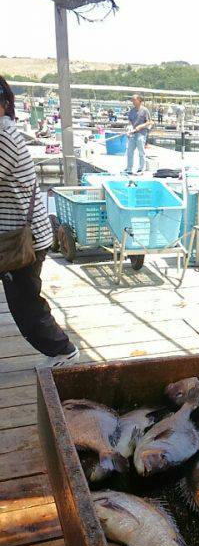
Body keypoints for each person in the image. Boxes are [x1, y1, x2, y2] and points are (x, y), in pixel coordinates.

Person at [0, 77, 79, 366]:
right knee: (25, 299)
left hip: (22, 241)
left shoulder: (4, 138)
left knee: (26, 305)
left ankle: (63, 351)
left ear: (5, 104)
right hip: (13, 235)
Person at [126, 94, 152, 174]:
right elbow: (130, 121)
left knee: (141, 152)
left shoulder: (145, 110)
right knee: (129, 151)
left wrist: (140, 126)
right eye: (132, 100)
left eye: (134, 99)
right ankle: (129, 168)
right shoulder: (131, 111)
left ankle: (141, 168)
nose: (132, 101)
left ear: (139, 100)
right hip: (132, 134)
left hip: (141, 133)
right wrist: (129, 128)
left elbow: (149, 122)